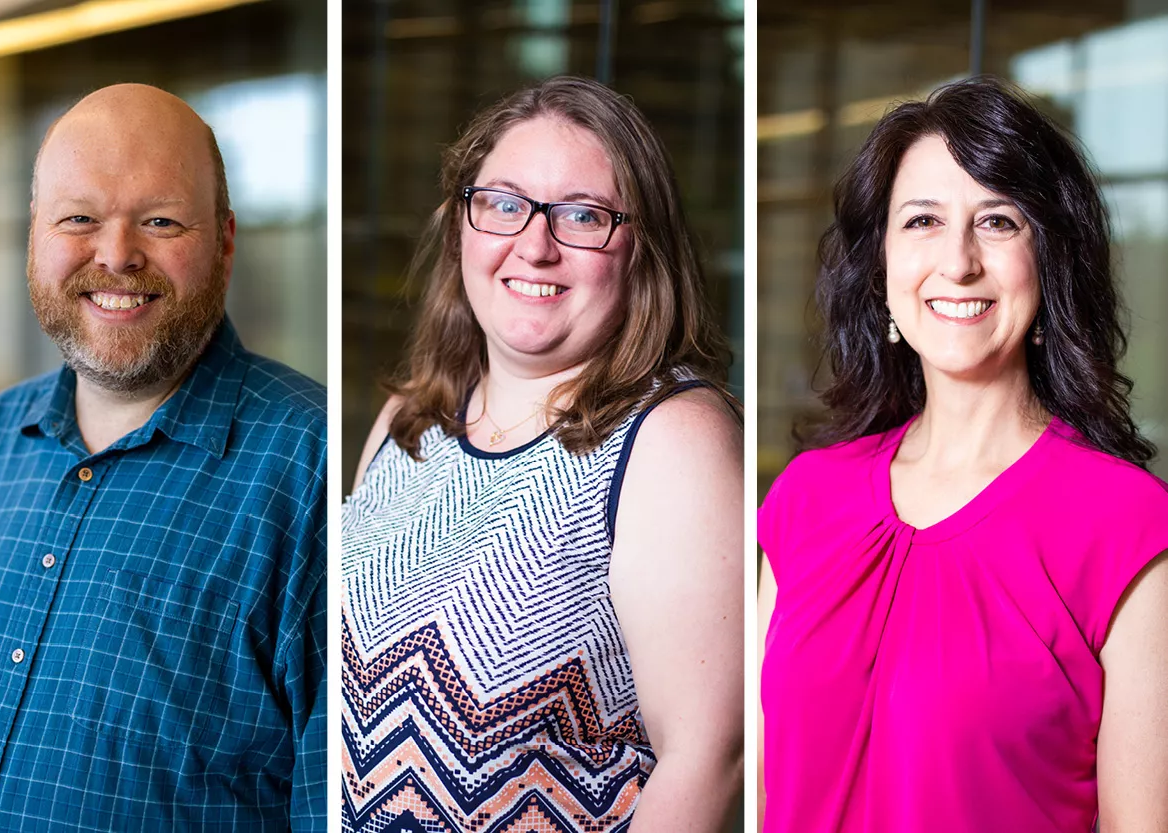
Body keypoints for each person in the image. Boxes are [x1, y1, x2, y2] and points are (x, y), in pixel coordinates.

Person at [758, 76, 1168, 832]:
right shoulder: (804, 498)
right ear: (881, 263)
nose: (958, 261)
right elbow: (762, 791)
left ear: (1050, 259)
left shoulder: (1126, 524)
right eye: (922, 220)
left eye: (998, 222)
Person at [0, 84, 326, 831]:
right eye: (79, 218)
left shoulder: (314, 467)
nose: (116, 255)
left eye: (160, 220)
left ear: (225, 241)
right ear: (35, 234)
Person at [342, 76, 744, 832]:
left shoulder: (672, 440)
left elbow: (707, 759)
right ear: (460, 226)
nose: (534, 246)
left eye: (582, 216)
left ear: (643, 250)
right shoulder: (409, 422)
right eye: (504, 204)